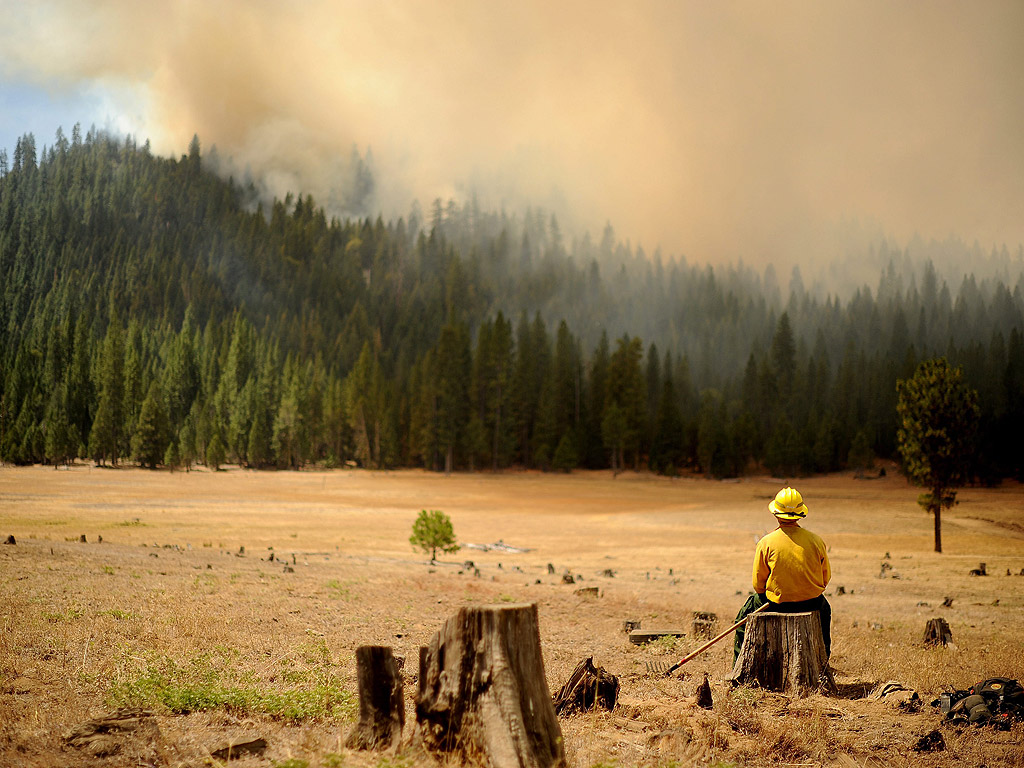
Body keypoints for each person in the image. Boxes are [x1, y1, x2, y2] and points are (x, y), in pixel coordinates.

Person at [733, 486, 832, 664]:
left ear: (776, 514)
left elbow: (758, 585)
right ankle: (823, 663)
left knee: (742, 618)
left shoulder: (766, 542)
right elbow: (825, 579)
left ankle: (738, 668)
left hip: (776, 604)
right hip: (811, 602)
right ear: (801, 513)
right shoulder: (816, 541)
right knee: (826, 611)